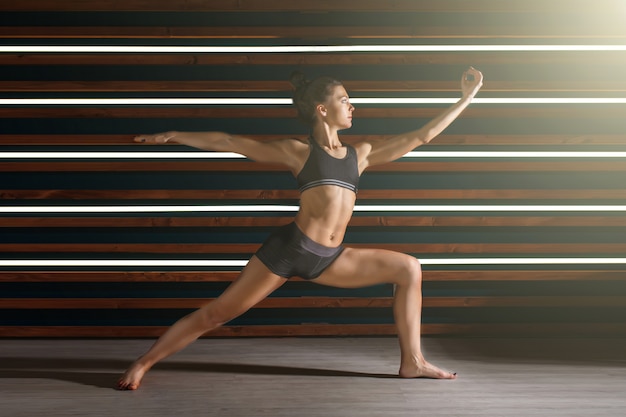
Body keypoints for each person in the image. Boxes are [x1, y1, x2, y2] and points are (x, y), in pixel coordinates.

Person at [117, 66, 484, 390]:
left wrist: (465, 98)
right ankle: (143, 362)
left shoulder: (362, 153)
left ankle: (412, 361)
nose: (352, 105)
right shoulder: (299, 152)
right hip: (289, 250)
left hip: (329, 258)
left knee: (409, 268)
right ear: (322, 109)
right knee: (217, 314)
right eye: (344, 99)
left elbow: (422, 136)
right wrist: (175, 135)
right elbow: (231, 143)